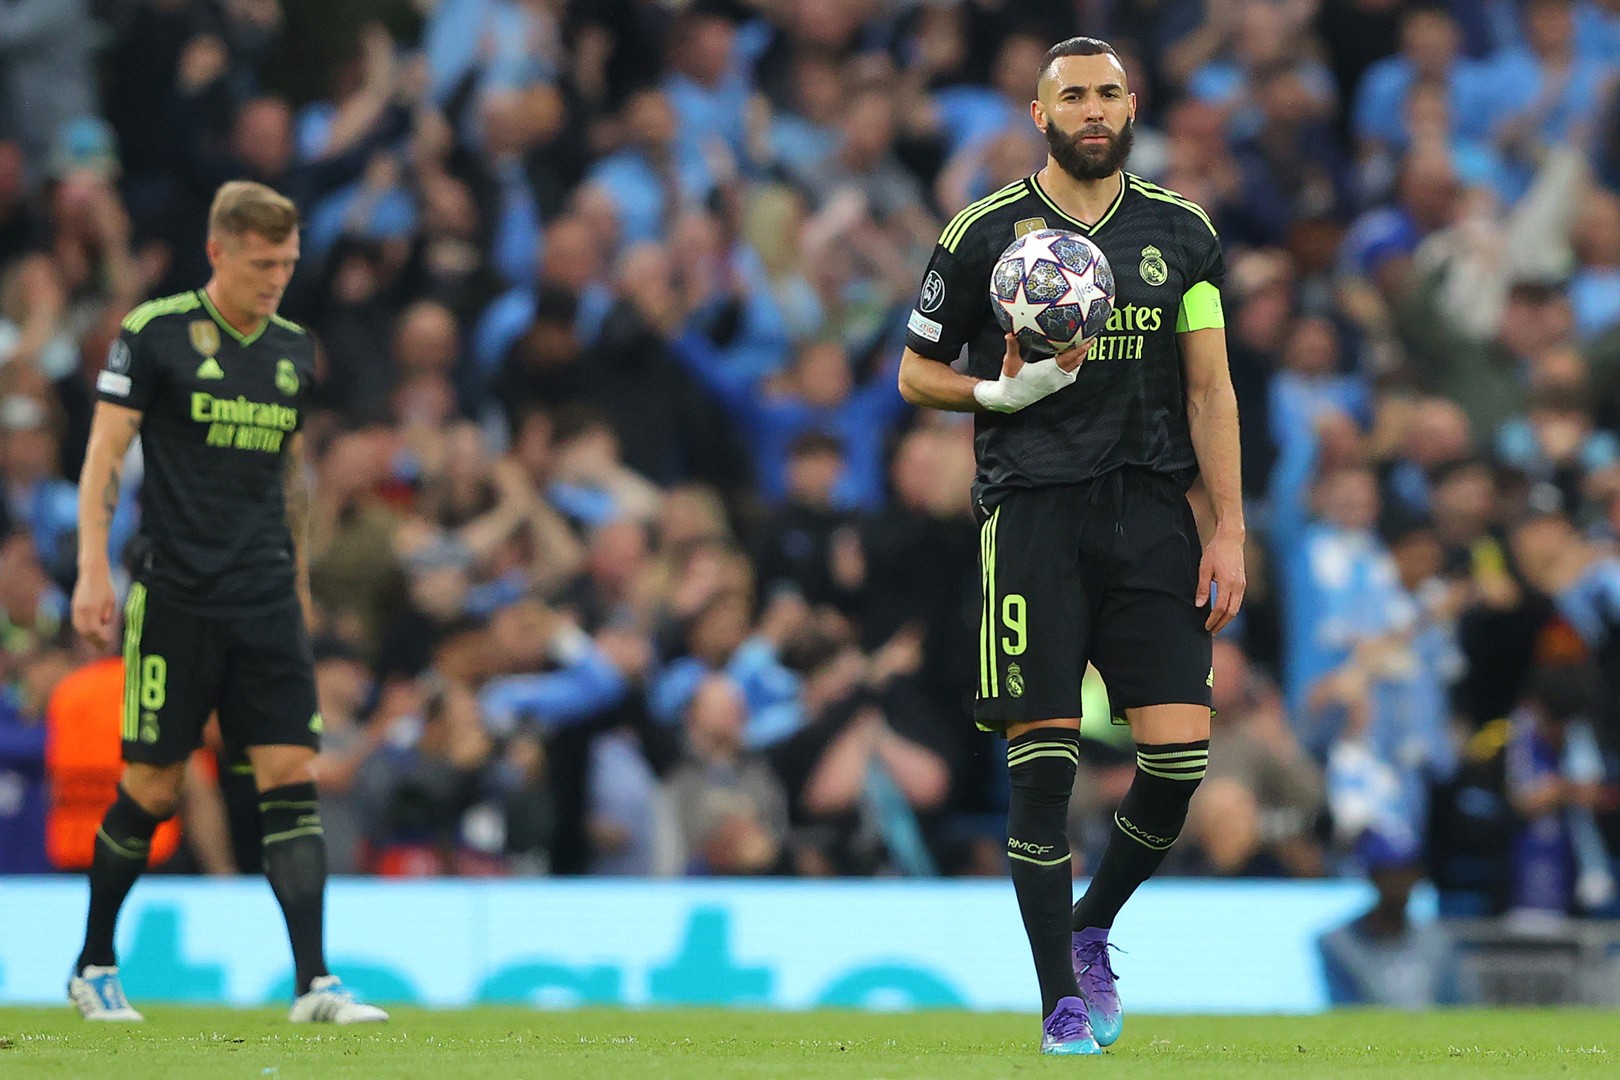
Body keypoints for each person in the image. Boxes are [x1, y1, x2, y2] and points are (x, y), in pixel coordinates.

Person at [897, 37, 1244, 1054]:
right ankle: (1059, 1001)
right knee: (1042, 770)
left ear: (1131, 105)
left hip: (1151, 516)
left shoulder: (1182, 232)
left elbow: (1211, 387)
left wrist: (1228, 525)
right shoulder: (983, 232)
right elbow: (916, 373)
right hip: (1033, 513)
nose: (1091, 111)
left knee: (1179, 761)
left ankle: (1091, 926)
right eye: (1071, 98)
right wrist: (995, 391)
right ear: (1039, 115)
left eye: (1106, 94)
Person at [66, 180, 386, 1024]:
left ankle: (315, 982)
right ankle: (94, 961)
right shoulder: (155, 334)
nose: (277, 278)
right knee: (153, 786)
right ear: (219, 252)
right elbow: (104, 457)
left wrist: (300, 587)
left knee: (292, 777)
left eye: (287, 262)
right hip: (176, 597)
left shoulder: (292, 349)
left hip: (265, 599)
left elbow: (288, 476)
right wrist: (93, 571)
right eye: (262, 262)